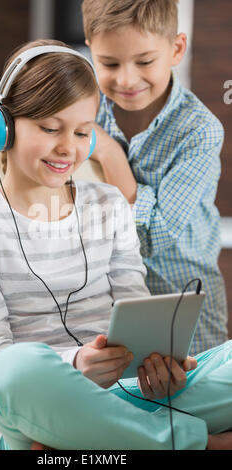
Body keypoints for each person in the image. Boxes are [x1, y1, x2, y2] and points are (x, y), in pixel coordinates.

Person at [0, 39, 232, 451]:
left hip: (130, 397)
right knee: (15, 368)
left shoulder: (109, 204)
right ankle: (199, 443)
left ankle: (107, 438)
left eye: (81, 132)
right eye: (50, 128)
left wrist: (157, 363)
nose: (67, 148)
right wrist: (74, 365)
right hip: (44, 409)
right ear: (2, 127)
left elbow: (135, 306)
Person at [81, 0, 228, 356]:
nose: (127, 79)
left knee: (193, 398)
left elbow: (152, 236)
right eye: (109, 63)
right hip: (104, 296)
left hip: (182, 300)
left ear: (176, 48)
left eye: (145, 61)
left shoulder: (200, 131)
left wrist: (111, 154)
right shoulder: (86, 109)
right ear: (91, 51)